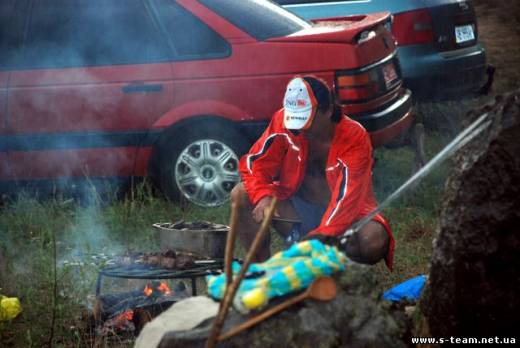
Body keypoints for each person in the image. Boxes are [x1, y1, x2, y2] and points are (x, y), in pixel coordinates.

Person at [230, 75, 394, 269]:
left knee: (373, 240)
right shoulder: (284, 123)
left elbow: (347, 198)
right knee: (241, 194)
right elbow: (254, 164)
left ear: (328, 110)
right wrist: (262, 196)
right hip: (298, 211)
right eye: (296, 120)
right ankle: (260, 272)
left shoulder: (355, 136)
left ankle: (338, 270)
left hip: (347, 216)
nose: (299, 129)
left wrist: (321, 236)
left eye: (306, 120)